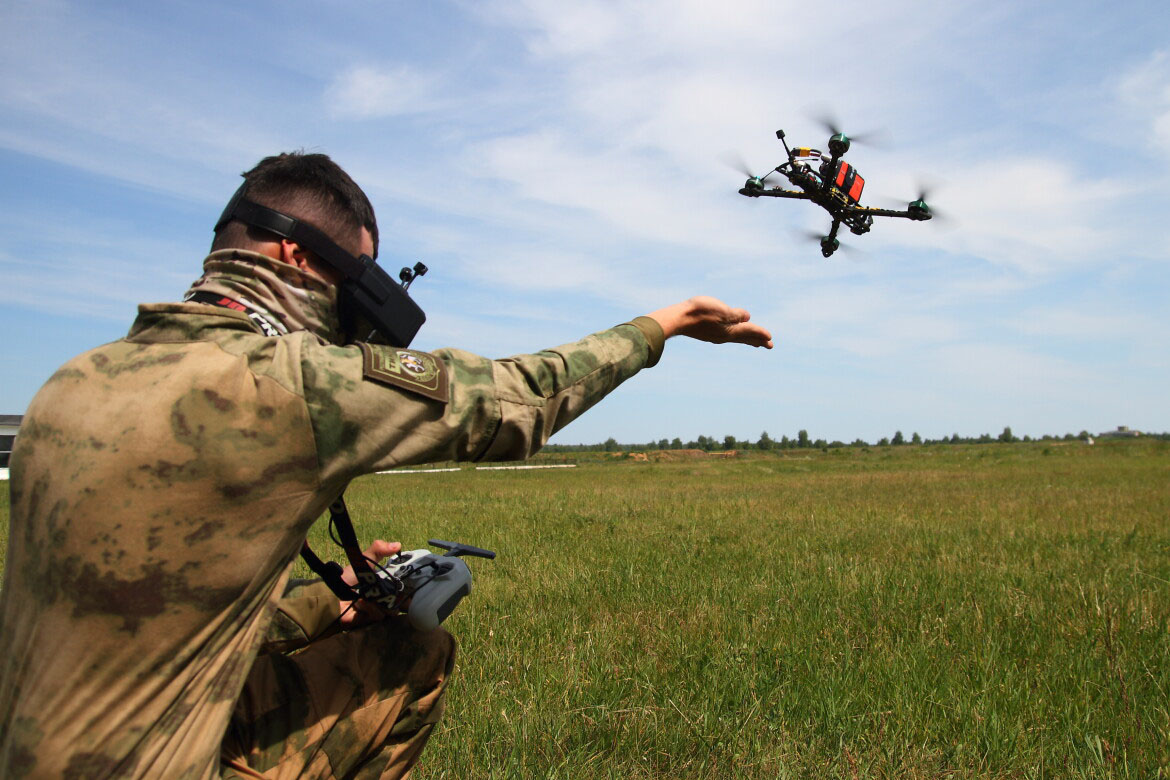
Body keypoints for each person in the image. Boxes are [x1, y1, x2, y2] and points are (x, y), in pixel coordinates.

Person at [0, 152, 772, 778]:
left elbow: (154, 604)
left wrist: (320, 603)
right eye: (359, 278)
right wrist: (662, 326)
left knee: (327, 613)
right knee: (412, 652)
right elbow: (517, 401)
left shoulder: (70, 384)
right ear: (298, 257)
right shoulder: (287, 385)